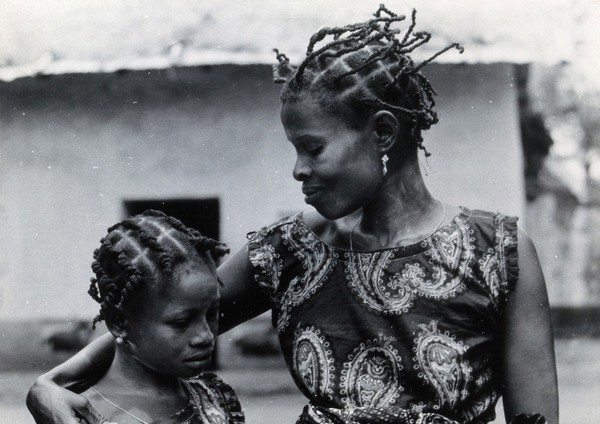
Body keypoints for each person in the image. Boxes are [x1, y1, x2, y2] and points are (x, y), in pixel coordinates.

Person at [27, 6, 558, 424]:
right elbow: (151, 316)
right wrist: (49, 385)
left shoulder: (498, 255)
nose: (298, 170)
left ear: (382, 134)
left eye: (312, 148)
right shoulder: (290, 252)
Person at [34, 209, 244, 424]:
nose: (206, 336)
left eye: (212, 313)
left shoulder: (216, 398)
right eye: (181, 322)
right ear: (118, 322)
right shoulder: (74, 415)